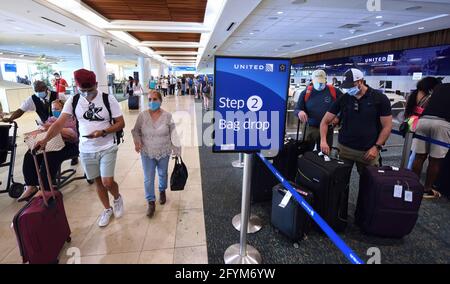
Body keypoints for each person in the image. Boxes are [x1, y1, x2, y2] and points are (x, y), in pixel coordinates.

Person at [34, 69, 125, 227]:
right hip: (86, 149)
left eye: (90, 90)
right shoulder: (73, 101)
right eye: (83, 91)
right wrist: (45, 140)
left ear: (96, 85)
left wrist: (103, 131)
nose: (87, 94)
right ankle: (107, 209)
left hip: (106, 146)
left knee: (107, 181)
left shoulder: (108, 99)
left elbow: (120, 123)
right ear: (77, 88)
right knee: (97, 182)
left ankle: (117, 198)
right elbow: (58, 123)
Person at [320, 68, 392, 174]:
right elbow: (325, 121)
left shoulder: (379, 98)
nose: (348, 89)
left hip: (368, 151)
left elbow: (387, 126)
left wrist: (377, 147)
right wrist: (323, 140)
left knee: (369, 185)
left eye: (350, 86)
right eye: (346, 87)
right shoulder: (344, 98)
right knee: (339, 183)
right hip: (344, 149)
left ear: (360, 81)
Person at [17, 99, 79, 202]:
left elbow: (72, 136)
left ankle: (45, 188)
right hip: (52, 145)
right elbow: (43, 130)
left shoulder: (71, 119)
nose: (55, 111)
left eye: (57, 109)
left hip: (70, 146)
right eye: (53, 109)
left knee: (51, 156)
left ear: (64, 109)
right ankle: (30, 185)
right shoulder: (51, 119)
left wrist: (52, 128)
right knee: (31, 154)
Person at [131, 90, 181, 218]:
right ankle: (151, 201)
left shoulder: (168, 116)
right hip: (147, 152)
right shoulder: (142, 116)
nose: (152, 102)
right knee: (148, 178)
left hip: (164, 151)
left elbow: (173, 134)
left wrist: (177, 150)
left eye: (154, 99)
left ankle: (162, 190)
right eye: (150, 99)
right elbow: (135, 131)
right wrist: (137, 142)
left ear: (160, 101)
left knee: (163, 173)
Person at [412, 83, 450, 199]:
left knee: (419, 157)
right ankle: (427, 189)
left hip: (423, 121)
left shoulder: (440, 87)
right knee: (435, 160)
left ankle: (413, 185)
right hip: (442, 124)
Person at [294, 69, 343, 148]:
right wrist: (300, 112)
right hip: (310, 127)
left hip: (328, 128)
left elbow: (344, 105)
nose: (319, 84)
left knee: (325, 153)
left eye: (321, 82)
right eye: (317, 82)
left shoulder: (334, 91)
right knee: (305, 151)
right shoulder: (306, 92)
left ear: (325, 80)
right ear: (312, 80)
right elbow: (297, 109)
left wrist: (338, 116)